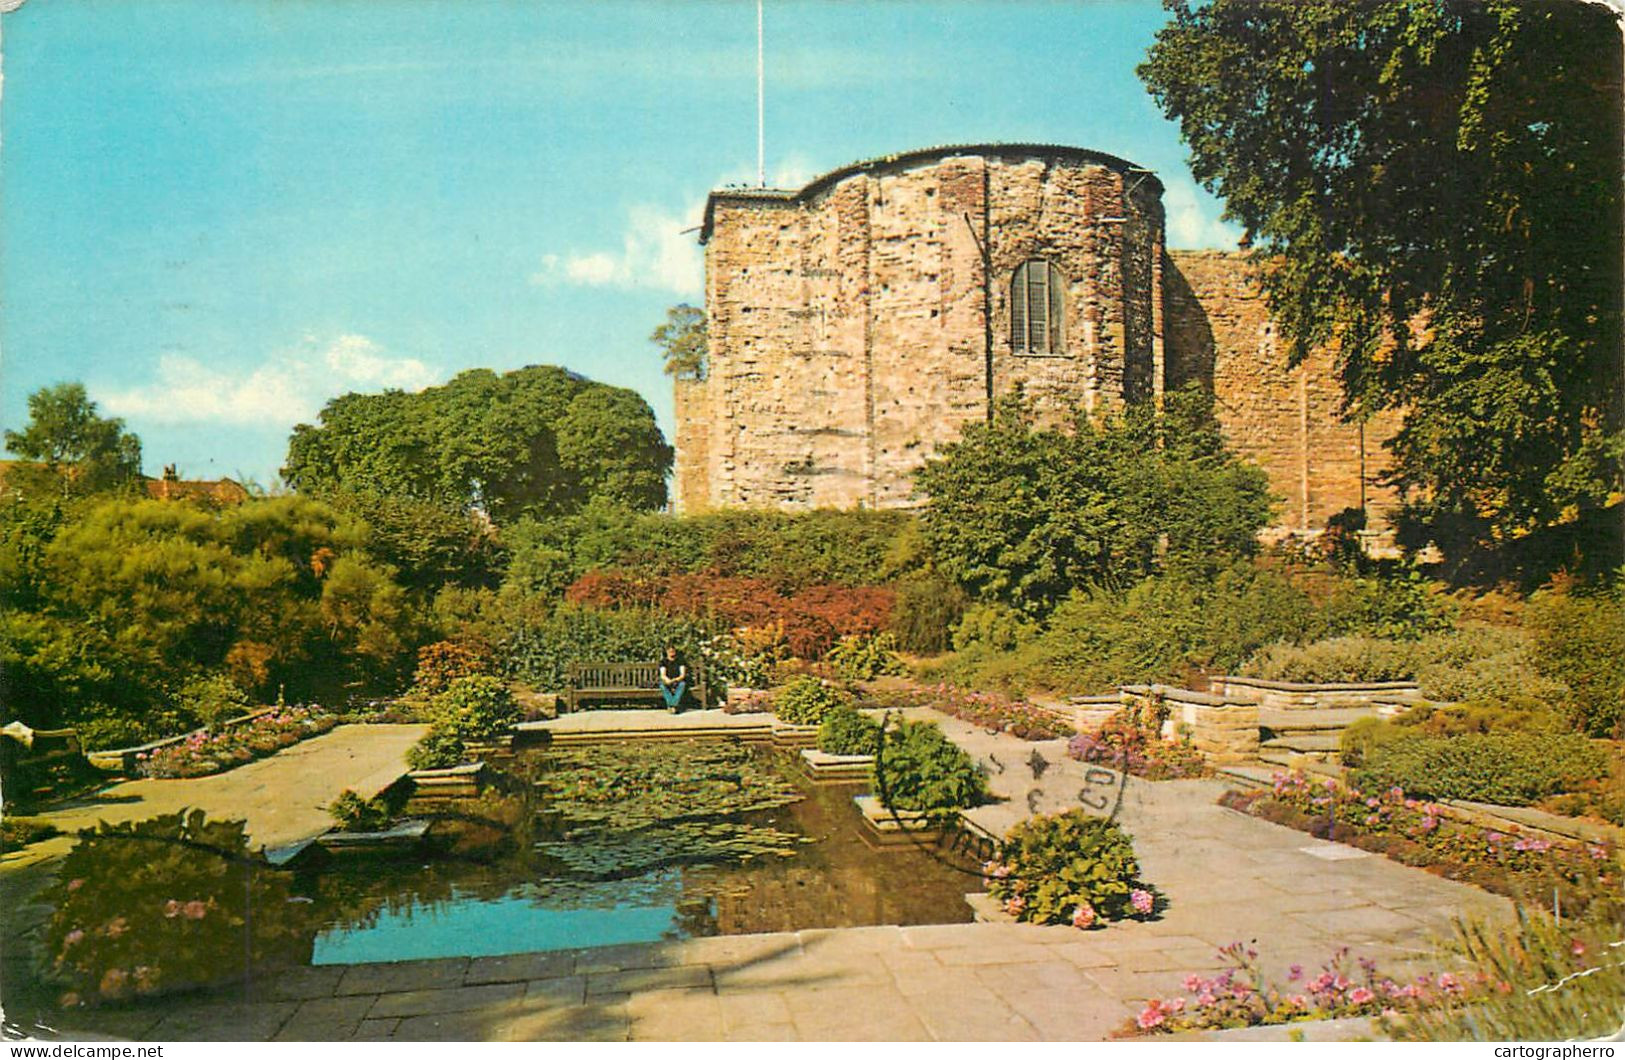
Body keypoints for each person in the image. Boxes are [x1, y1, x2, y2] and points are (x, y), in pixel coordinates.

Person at [658, 645, 688, 713]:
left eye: (673, 651)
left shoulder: (680, 661)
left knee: (682, 684)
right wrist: (667, 680)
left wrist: (675, 680)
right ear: (667, 652)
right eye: (669, 651)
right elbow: (663, 675)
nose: (671, 653)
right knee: (662, 685)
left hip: (678, 680)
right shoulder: (663, 662)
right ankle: (674, 706)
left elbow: (682, 675)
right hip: (667, 680)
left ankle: (672, 705)